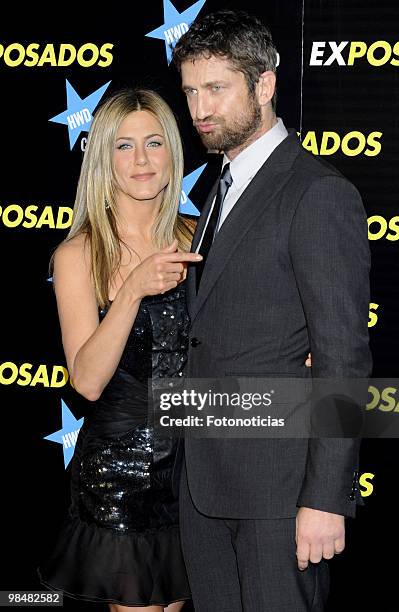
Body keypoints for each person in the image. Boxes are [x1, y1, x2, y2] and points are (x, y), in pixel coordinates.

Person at [172, 9, 372, 611]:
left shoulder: (317, 193)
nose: (200, 109)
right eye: (189, 92)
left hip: (280, 497)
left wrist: (327, 498)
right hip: (203, 485)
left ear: (264, 85)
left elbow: (343, 357)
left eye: (216, 88)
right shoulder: (217, 188)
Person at [38, 88, 203, 611]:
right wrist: (132, 288)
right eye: (124, 146)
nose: (141, 160)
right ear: (103, 157)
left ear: (172, 152)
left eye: (154, 142)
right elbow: (86, 380)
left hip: (196, 470)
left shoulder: (201, 239)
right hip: (120, 478)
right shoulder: (78, 253)